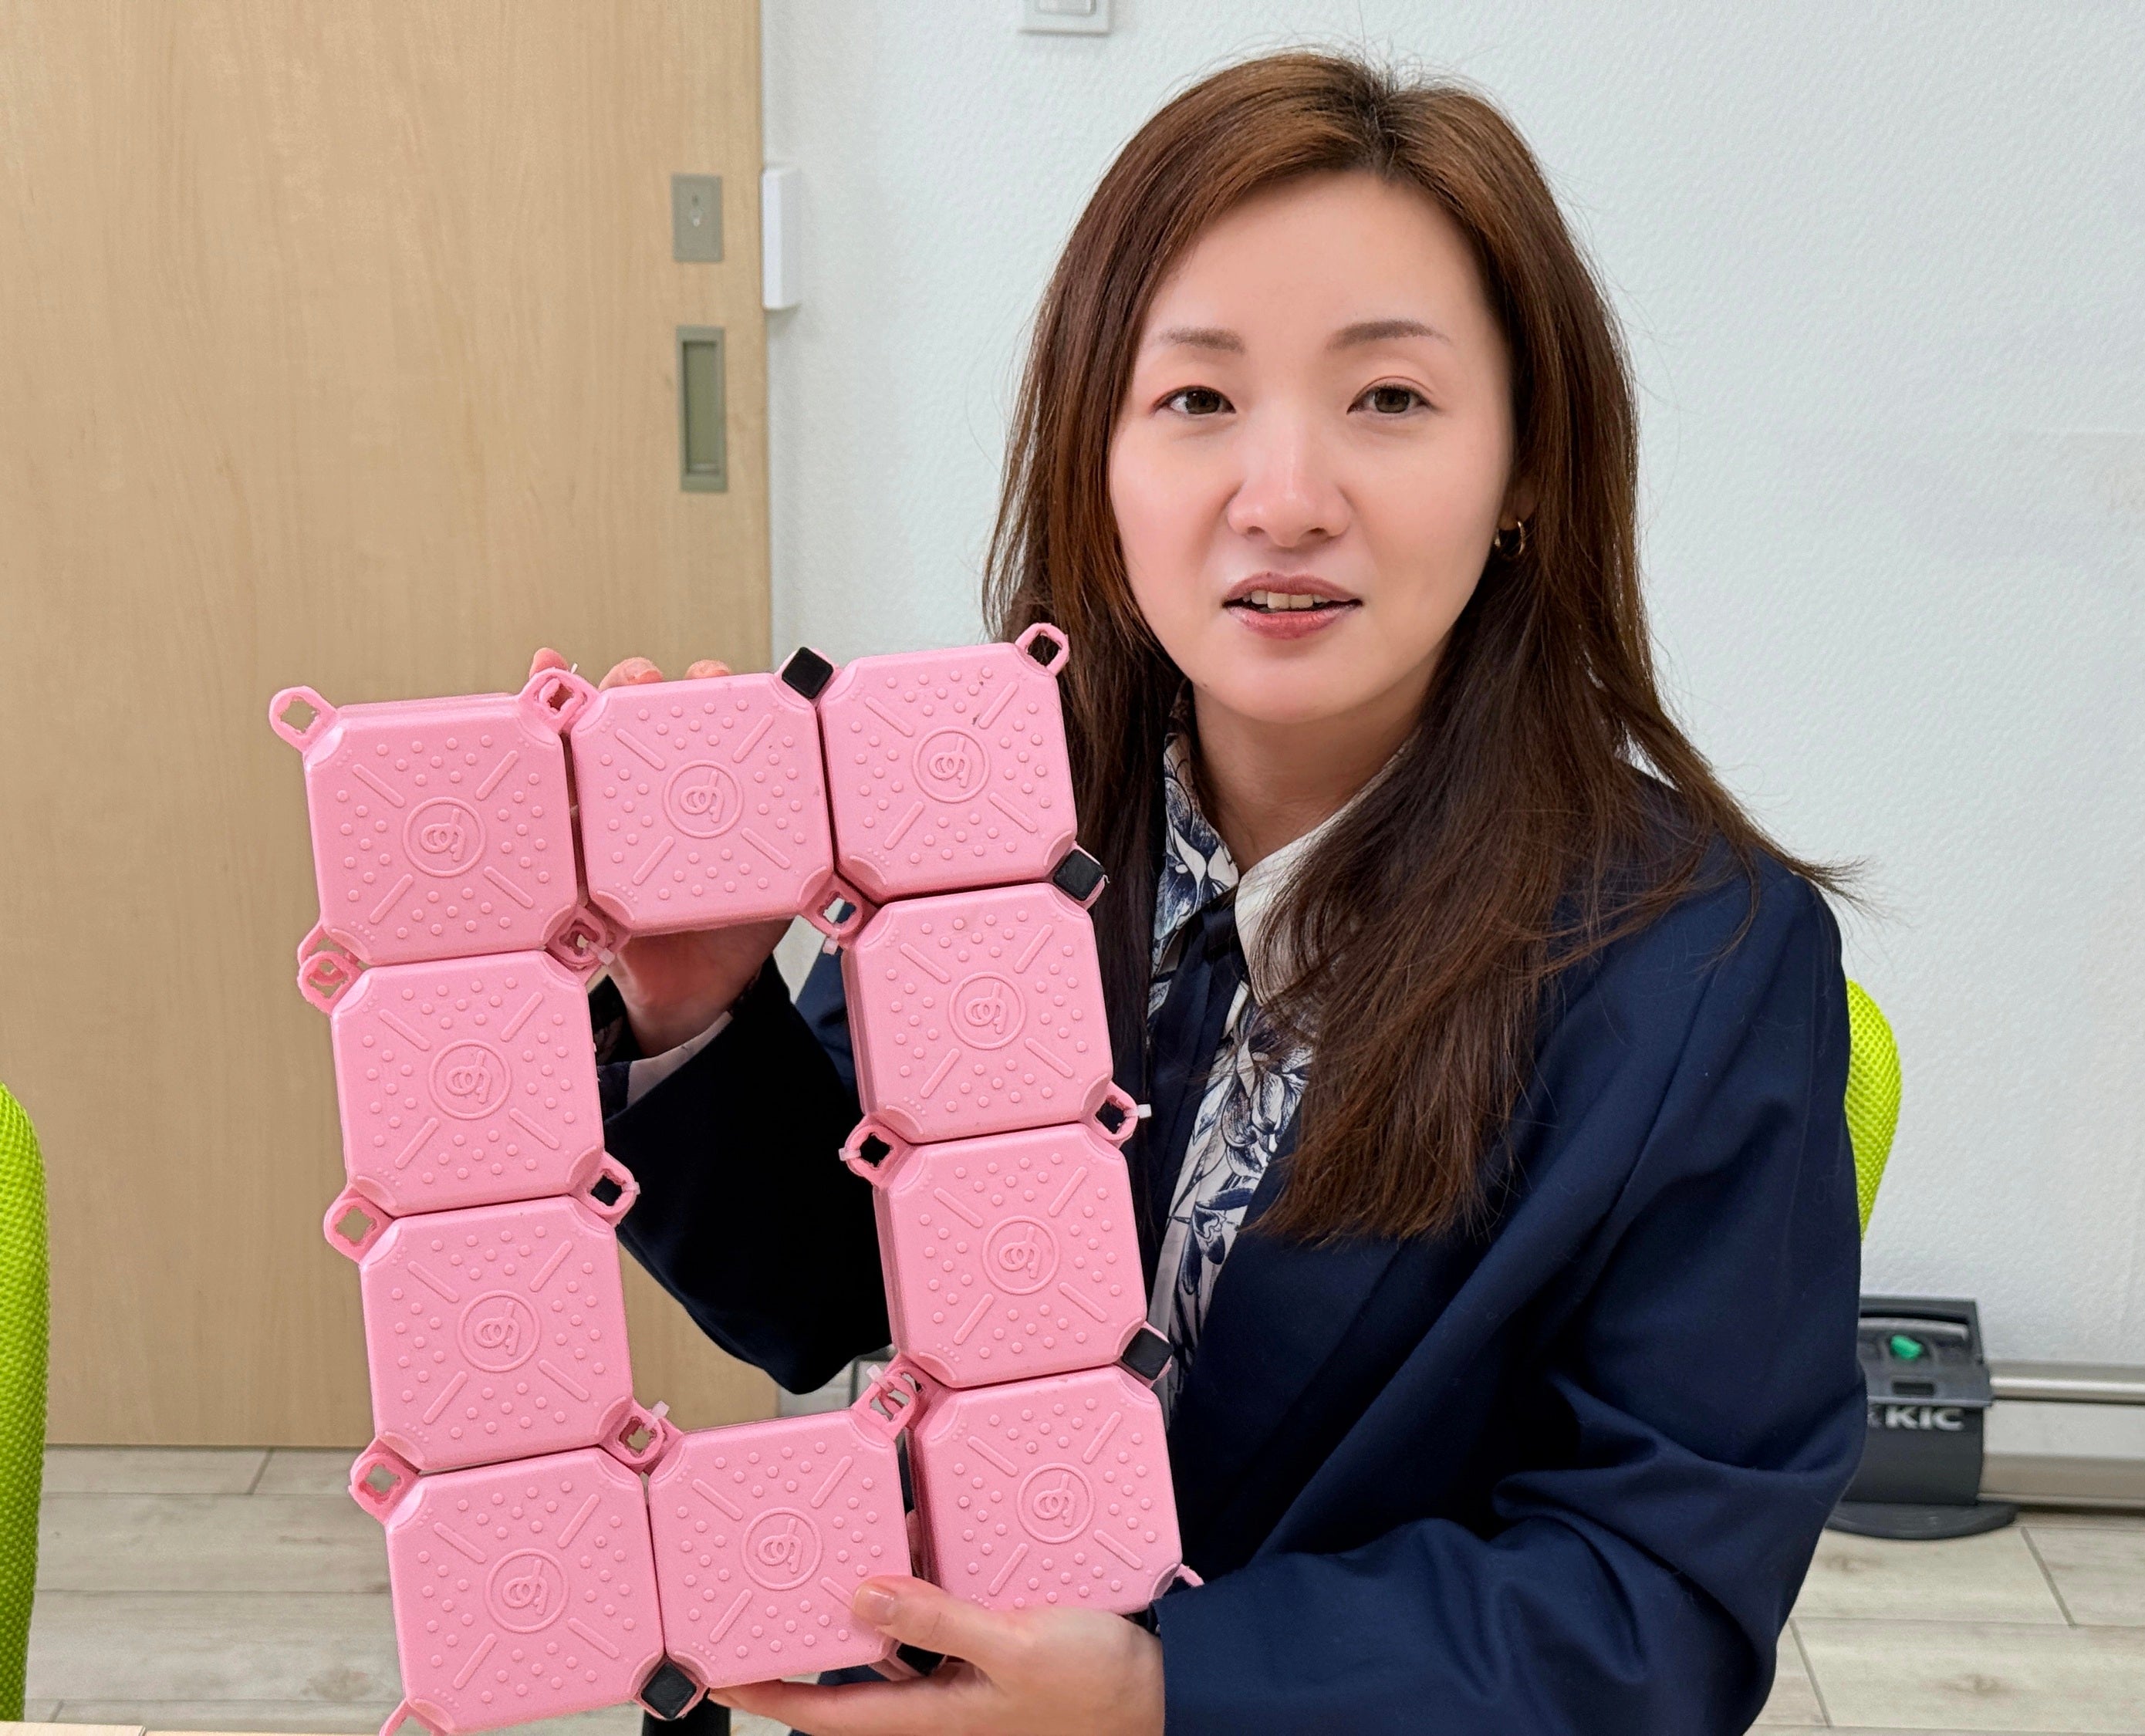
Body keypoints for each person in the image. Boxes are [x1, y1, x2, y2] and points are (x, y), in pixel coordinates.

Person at [543, 50, 1863, 1736]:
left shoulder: (1708, 961)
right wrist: (695, 1003)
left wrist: (1173, 1695)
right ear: (1097, 458)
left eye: (1391, 399)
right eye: (1196, 401)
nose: (1286, 499)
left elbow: (1655, 1606)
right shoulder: (983, 829)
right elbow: (832, 1301)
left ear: (1528, 465)